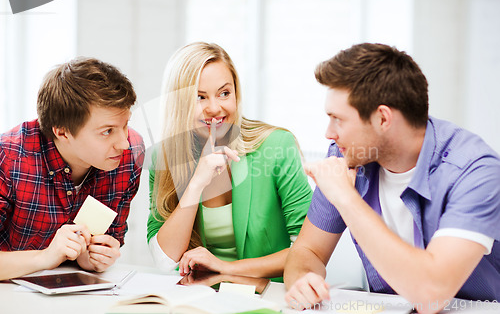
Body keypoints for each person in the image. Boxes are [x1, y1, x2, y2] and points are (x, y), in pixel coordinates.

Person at [284, 43, 500, 312]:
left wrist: (346, 198)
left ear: (383, 119)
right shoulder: (348, 157)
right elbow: (308, 252)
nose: (329, 133)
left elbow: (431, 293)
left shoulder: (475, 171)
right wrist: (304, 280)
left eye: (338, 119)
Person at [147, 42, 312, 280]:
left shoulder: (276, 146)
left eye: (224, 93)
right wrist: (195, 186)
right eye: (199, 97)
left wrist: (225, 268)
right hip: (203, 297)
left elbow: (308, 251)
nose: (215, 108)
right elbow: (164, 260)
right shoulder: (163, 157)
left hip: (267, 294)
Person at [0, 57, 145, 280]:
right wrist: (46, 257)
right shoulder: (9, 158)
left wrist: (93, 258)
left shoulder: (130, 153)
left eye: (125, 125)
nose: (123, 142)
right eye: (107, 131)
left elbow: (112, 238)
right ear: (63, 132)